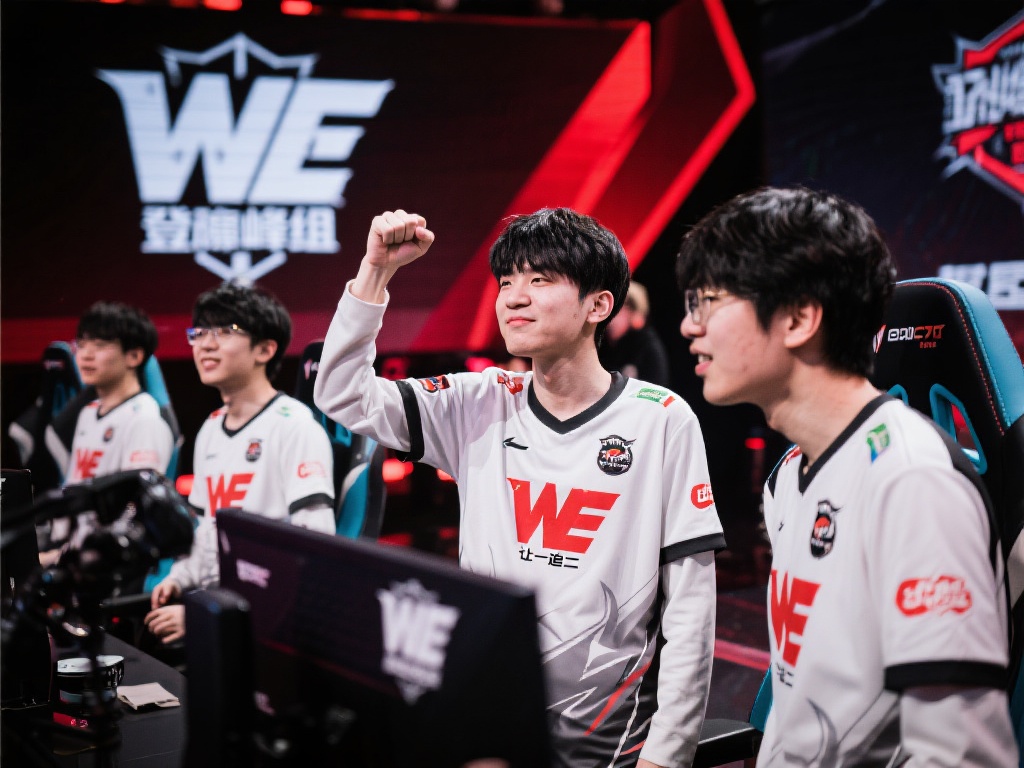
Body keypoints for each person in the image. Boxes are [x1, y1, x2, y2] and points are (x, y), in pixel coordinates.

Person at [314, 208, 724, 768]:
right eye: (506, 282)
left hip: (606, 741)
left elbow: (691, 610)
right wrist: (375, 272)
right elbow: (341, 394)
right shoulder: (477, 400)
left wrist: (667, 755)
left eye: (540, 280)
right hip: (483, 722)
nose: (513, 298)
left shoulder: (662, 419)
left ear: (599, 305)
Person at [676, 186, 1017, 766]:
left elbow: (959, 755)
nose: (690, 325)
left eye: (708, 301)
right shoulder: (788, 478)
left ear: (799, 318)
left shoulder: (911, 482)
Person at [145, 282, 335, 644]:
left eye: (224, 331)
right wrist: (179, 578)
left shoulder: (294, 426)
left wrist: (206, 616)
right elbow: (206, 530)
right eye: (199, 333)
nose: (205, 344)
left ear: (265, 349)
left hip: (269, 621)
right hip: (219, 607)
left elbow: (314, 552)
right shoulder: (211, 428)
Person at [42, 301, 175, 561]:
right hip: (74, 555)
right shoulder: (88, 413)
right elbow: (74, 487)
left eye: (100, 345)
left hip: (113, 564)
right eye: (82, 344)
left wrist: (57, 557)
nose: (85, 355)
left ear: (134, 356)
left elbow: (134, 515)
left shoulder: (145, 419)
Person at [599, 280, 671, 387]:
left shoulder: (648, 348)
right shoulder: (605, 345)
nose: (610, 318)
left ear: (635, 313)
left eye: (618, 309)